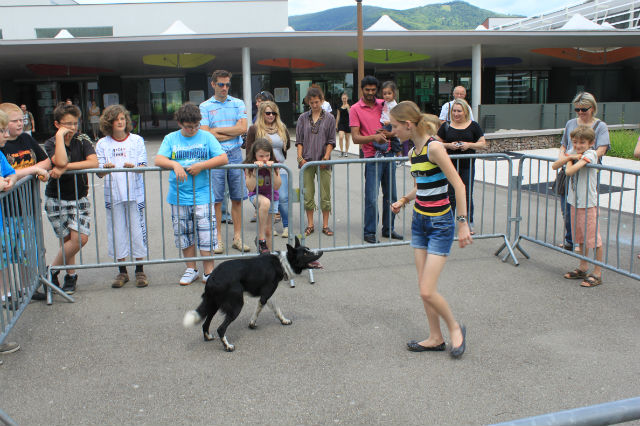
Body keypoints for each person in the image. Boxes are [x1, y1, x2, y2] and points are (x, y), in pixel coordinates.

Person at [390, 101, 471, 358]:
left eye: (394, 127)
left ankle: (455, 329)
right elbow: (423, 187)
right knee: (423, 288)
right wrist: (404, 200)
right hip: (420, 223)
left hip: (440, 225)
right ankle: (435, 337)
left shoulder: (434, 147)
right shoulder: (414, 153)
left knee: (427, 289)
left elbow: (458, 185)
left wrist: (463, 223)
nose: (393, 131)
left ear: (408, 125)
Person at [155, 103, 228, 286]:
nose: (193, 129)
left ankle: (209, 272)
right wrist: (175, 164)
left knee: (206, 233)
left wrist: (202, 165)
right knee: (184, 233)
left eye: (196, 125)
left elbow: (222, 157)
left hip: (203, 194)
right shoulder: (171, 138)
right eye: (189, 126)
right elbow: (158, 158)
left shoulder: (206, 137)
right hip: (179, 196)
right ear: (180, 123)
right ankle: (191, 269)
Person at [43, 102, 98, 295]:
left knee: (80, 238)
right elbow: (60, 160)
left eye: (75, 123)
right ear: (57, 124)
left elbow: (93, 162)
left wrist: (65, 169)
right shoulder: (51, 142)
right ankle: (70, 275)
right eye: (67, 124)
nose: (73, 128)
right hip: (56, 198)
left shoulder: (82, 139)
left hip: (79, 196)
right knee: (67, 239)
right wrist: (59, 138)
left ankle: (50, 270)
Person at [0, 103, 50, 300]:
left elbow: (10, 175)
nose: (20, 124)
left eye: (22, 120)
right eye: (14, 121)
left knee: (25, 251)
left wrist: (13, 179)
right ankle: (6, 293)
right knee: (4, 254)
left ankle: (27, 288)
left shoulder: (27, 139)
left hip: (26, 206)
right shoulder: (4, 148)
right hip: (6, 212)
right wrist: (32, 171)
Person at [96, 104, 149, 288]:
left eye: (122, 118)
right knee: (116, 231)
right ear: (108, 123)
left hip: (135, 194)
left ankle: (140, 269)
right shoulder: (103, 143)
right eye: (116, 119)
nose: (120, 122)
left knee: (137, 230)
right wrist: (105, 169)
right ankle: (122, 271)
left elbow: (143, 166)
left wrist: (135, 168)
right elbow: (99, 172)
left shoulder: (136, 140)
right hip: (114, 195)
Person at [199, 70, 250, 253]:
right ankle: (217, 239)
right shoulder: (204, 106)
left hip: (235, 154)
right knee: (217, 200)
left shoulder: (238, 103)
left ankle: (237, 237)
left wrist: (217, 131)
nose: (225, 88)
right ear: (213, 84)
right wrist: (232, 130)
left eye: (227, 84)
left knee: (237, 198)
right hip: (215, 155)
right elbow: (206, 133)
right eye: (221, 84)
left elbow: (243, 128)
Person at [350, 75, 401, 243]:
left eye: (373, 90)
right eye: (367, 90)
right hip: (373, 157)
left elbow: (398, 124)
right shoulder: (355, 108)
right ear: (362, 90)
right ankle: (369, 232)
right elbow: (356, 138)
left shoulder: (384, 103)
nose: (371, 93)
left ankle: (389, 229)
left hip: (389, 154)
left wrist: (391, 134)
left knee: (391, 194)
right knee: (371, 197)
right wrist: (375, 138)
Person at [557, 92, 610, 251]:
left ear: (592, 108)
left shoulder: (600, 126)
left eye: (584, 109)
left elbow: (602, 149)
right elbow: (564, 144)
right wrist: (563, 158)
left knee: (585, 209)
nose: (580, 112)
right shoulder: (570, 123)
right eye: (577, 109)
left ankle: (586, 243)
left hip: (587, 171)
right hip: (569, 169)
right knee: (567, 207)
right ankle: (570, 239)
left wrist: (583, 158)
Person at [552, 126, 603, 288]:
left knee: (593, 239)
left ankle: (597, 272)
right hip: (575, 201)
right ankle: (583, 266)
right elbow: (555, 166)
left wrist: (570, 159)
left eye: (582, 142)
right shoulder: (575, 152)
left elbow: (570, 171)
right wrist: (571, 156)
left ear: (591, 143)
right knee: (580, 237)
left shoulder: (591, 154)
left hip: (588, 203)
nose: (578, 145)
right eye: (575, 142)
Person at [436, 98, 486, 233]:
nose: (456, 114)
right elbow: (435, 143)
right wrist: (448, 145)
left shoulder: (474, 126)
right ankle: (449, 223)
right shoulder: (446, 126)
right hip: (450, 166)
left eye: (459, 111)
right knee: (450, 194)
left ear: (465, 112)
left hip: (467, 165)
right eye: (454, 111)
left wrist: (469, 145)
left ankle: (468, 222)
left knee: (466, 194)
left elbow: (483, 143)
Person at [246, 101, 291, 238]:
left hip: (278, 167)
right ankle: (265, 231)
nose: (271, 115)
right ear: (262, 114)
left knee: (282, 197)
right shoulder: (254, 129)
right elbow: (249, 150)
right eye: (268, 113)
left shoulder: (281, 127)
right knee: (263, 199)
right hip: (260, 170)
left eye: (274, 113)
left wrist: (276, 159)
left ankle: (286, 226)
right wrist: (256, 164)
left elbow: (287, 145)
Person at [296, 86, 336, 237]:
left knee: (325, 194)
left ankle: (325, 225)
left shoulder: (330, 118)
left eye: (317, 102)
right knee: (308, 194)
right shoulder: (302, 118)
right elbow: (299, 140)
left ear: (322, 100)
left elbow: (331, 140)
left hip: (323, 160)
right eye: (311, 102)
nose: (314, 105)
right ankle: (310, 224)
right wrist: (300, 158)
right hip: (306, 160)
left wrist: (326, 156)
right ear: (308, 102)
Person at [244, 138, 281, 254]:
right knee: (265, 203)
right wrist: (255, 171)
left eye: (267, 155)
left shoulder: (275, 163)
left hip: (272, 196)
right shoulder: (249, 165)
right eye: (261, 156)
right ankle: (261, 239)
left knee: (269, 231)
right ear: (254, 155)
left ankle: (267, 258)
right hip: (256, 195)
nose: (265, 159)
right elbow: (250, 187)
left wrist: (272, 170)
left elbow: (277, 186)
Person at [380, 81, 402, 157]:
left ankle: (398, 153)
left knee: (393, 138)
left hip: (390, 124)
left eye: (389, 93)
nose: (387, 96)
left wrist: (389, 122)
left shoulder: (393, 104)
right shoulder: (385, 102)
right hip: (384, 123)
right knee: (386, 138)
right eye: (384, 94)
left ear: (394, 94)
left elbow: (396, 117)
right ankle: (386, 150)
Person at [335, 93, 351, 157]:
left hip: (347, 123)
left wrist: (348, 108)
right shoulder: (339, 106)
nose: (344, 99)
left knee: (347, 139)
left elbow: (351, 115)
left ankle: (346, 152)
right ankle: (341, 151)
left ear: (347, 98)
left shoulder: (349, 106)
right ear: (341, 99)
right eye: (343, 98)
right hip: (341, 123)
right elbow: (338, 116)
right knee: (341, 137)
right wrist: (336, 125)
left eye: (345, 98)